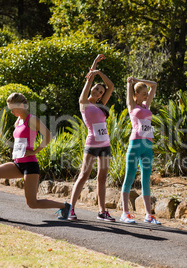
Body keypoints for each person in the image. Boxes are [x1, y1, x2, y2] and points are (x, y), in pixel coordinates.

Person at [0, 92, 71, 220]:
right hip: (17, 163)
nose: (11, 112)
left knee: (32, 203)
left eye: (13, 109)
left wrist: (35, 151)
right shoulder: (18, 121)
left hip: (29, 164)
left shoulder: (32, 119)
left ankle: (64, 206)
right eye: (10, 109)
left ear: (22, 105)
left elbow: (48, 135)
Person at [68, 54, 115, 221]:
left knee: (102, 178)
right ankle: (71, 209)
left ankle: (102, 211)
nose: (97, 92)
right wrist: (94, 69)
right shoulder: (84, 103)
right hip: (92, 144)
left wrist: (100, 73)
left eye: (100, 92)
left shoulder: (101, 105)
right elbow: (88, 84)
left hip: (105, 144)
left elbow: (111, 86)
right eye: (96, 89)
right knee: (84, 175)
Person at [120, 77, 160, 224]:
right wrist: (130, 82)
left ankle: (149, 215)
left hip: (148, 145)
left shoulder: (146, 106)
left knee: (146, 179)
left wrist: (138, 79)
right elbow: (129, 90)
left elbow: (154, 85)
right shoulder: (132, 106)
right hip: (135, 143)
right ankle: (125, 213)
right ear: (135, 94)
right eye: (143, 93)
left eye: (146, 93)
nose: (146, 95)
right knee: (129, 178)